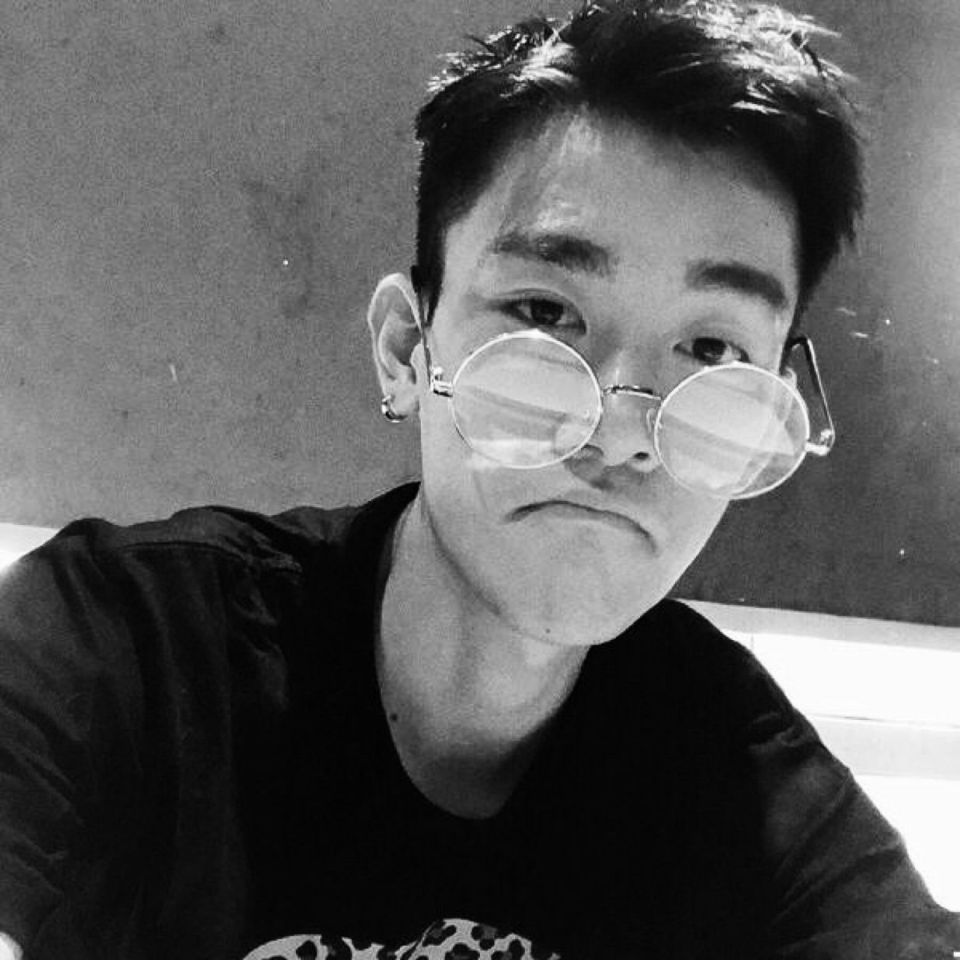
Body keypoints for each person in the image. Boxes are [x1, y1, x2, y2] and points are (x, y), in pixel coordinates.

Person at [0, 1, 958, 958]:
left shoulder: (742, 784)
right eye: (544, 313)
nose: (623, 434)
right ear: (406, 350)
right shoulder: (123, 648)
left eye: (711, 350)